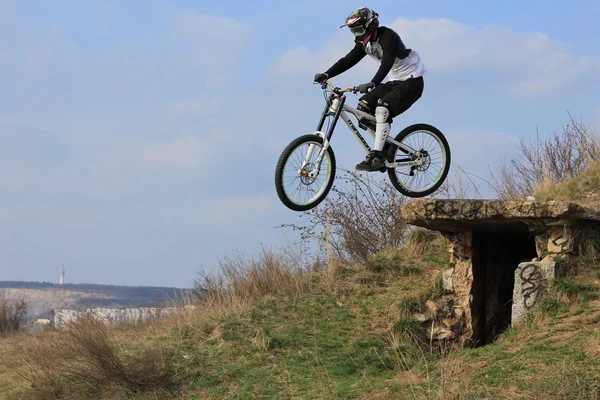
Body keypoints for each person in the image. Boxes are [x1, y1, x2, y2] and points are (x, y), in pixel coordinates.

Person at [314, 7, 427, 172]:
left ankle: (377, 155)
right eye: (354, 31)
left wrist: (373, 83)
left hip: (412, 81)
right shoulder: (363, 44)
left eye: (359, 30)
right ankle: (384, 148)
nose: (357, 35)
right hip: (394, 81)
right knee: (363, 109)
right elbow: (347, 61)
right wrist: (326, 74)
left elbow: (386, 63)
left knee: (382, 109)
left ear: (370, 25)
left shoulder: (389, 37)